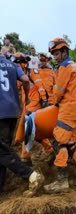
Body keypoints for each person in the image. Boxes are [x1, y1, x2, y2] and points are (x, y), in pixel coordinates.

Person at [44, 38, 76, 193]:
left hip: (68, 109)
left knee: (58, 141)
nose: (55, 57)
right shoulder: (75, 67)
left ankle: (62, 181)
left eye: (57, 53)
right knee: (71, 142)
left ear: (64, 52)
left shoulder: (64, 68)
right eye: (54, 54)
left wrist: (54, 102)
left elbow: (58, 92)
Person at [0, 54, 44, 197]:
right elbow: (25, 80)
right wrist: (27, 95)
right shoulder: (11, 65)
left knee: (2, 151)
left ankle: (30, 175)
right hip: (13, 111)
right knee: (3, 149)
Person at [12, 53, 52, 165]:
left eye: (16, 64)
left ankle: (25, 156)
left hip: (35, 103)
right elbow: (16, 87)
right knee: (33, 130)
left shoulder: (32, 72)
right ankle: (50, 150)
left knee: (27, 127)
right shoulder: (20, 75)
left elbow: (40, 86)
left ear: (22, 63)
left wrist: (44, 100)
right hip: (27, 105)